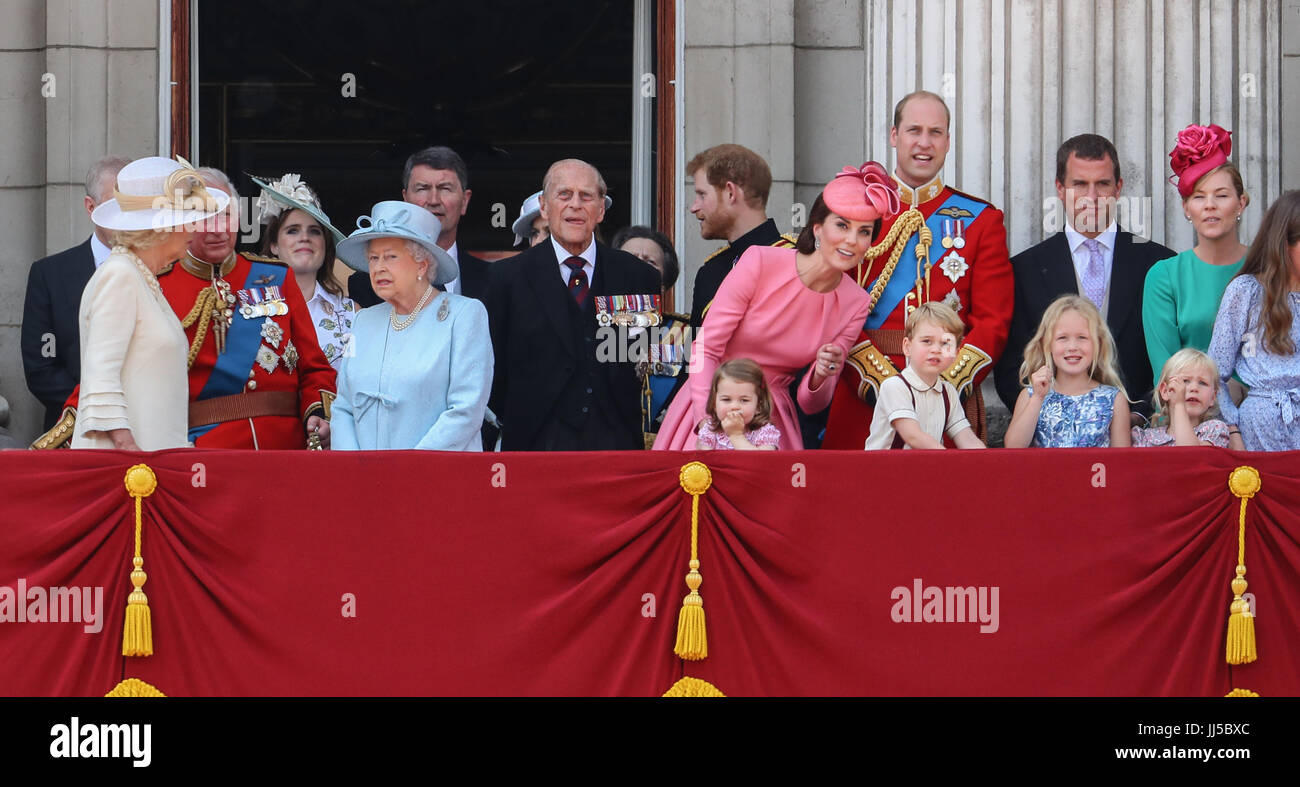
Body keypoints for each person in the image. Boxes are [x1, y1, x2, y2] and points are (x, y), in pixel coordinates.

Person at [654, 162, 889, 451]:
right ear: (817, 228)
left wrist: (822, 374)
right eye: (842, 225)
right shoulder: (760, 261)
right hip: (712, 405)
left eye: (864, 232)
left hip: (772, 425)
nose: (852, 241)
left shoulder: (856, 302)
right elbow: (705, 349)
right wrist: (708, 424)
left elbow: (811, 403)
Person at [823, 91, 1013, 447]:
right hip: (864, 398)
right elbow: (832, 307)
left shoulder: (981, 220)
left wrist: (936, 390)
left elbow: (993, 323)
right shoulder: (856, 214)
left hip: (946, 401)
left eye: (935, 132)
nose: (924, 143)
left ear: (948, 141)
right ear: (894, 136)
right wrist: (891, 390)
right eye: (914, 131)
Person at [487, 159, 662, 451]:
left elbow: (635, 358)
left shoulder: (637, 275)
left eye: (586, 196)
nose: (575, 205)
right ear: (544, 207)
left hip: (614, 444)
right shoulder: (506, 278)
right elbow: (494, 371)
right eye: (564, 195)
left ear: (601, 209)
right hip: (533, 446)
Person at [995, 134, 1174, 414]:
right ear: (1060, 188)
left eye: (1102, 184)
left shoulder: (1160, 265)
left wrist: (1139, 417)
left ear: (1118, 189)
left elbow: (1171, 362)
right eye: (1080, 184)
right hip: (1052, 443)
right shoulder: (1023, 270)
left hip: (1141, 436)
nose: (1092, 197)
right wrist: (1050, 421)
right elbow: (1010, 369)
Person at [71, 156, 228, 449]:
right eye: (187, 220)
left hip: (154, 460)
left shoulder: (142, 278)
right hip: (129, 469)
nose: (194, 230)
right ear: (161, 228)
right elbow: (101, 376)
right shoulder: (120, 274)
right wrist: (127, 451)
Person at [330, 201, 492, 450]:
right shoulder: (363, 321)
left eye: (391, 257)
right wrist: (355, 468)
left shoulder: (464, 315)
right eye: (373, 258)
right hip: (366, 480)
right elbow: (343, 406)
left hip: (434, 477)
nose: (379, 267)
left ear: (422, 264)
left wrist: (409, 469)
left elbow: (466, 410)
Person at [22, 156, 129, 431]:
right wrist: (102, 410)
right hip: (73, 429)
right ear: (90, 207)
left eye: (134, 203)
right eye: (116, 204)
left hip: (151, 430)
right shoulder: (50, 274)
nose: (127, 214)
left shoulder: (165, 268)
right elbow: (41, 369)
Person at [1143, 124, 1249, 381]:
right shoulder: (1165, 276)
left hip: (1262, 411)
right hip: (1187, 413)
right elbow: (1165, 373)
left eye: (1221, 195)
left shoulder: (1269, 267)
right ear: (1186, 208)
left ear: (1241, 203)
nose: (1210, 205)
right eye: (1199, 197)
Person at [1207, 190, 1300, 452]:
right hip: (1260, 429)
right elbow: (1215, 372)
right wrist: (1232, 428)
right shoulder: (1246, 291)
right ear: (1285, 244)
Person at [347, 146, 491, 307]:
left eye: (445, 188)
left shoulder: (494, 278)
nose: (434, 200)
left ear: (464, 201)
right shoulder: (369, 282)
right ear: (405, 200)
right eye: (423, 188)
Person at [685, 143, 795, 331]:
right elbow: (699, 357)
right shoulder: (710, 272)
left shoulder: (797, 264)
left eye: (702, 195)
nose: (693, 208)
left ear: (730, 193)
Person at [252, 174, 354, 369]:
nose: (305, 237)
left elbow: (358, 379)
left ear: (325, 246)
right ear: (274, 245)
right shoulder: (248, 308)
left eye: (315, 231)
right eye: (293, 230)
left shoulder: (351, 313)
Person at [1004, 295, 1132, 448]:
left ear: (1098, 343)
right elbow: (1013, 448)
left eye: (1082, 337)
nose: (1072, 346)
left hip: (1095, 472)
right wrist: (1038, 398)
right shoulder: (1030, 395)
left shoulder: (1114, 399)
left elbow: (1122, 462)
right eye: (1062, 338)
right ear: (1048, 344)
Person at [865, 302, 986, 450]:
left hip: (926, 468)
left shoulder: (948, 392)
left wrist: (988, 464)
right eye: (927, 341)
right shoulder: (894, 386)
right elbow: (913, 436)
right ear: (907, 347)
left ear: (956, 352)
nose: (936, 349)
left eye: (945, 343)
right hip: (885, 471)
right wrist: (948, 461)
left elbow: (967, 439)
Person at [613, 225, 686, 443]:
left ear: (664, 284)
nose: (637, 267)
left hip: (668, 457)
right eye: (629, 258)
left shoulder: (686, 333)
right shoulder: (593, 330)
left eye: (649, 262)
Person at [1131, 348, 1229, 447]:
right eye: (1185, 381)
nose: (1194, 388)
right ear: (1165, 391)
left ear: (1213, 397)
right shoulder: (1145, 437)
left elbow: (1191, 457)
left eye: (1202, 383)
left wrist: (1179, 404)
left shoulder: (1215, 430)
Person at [694, 358, 779, 450]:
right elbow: (703, 460)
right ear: (714, 404)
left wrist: (736, 435)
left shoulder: (765, 432)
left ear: (758, 406)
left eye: (744, 400)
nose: (734, 407)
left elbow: (761, 461)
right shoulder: (709, 430)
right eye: (726, 399)